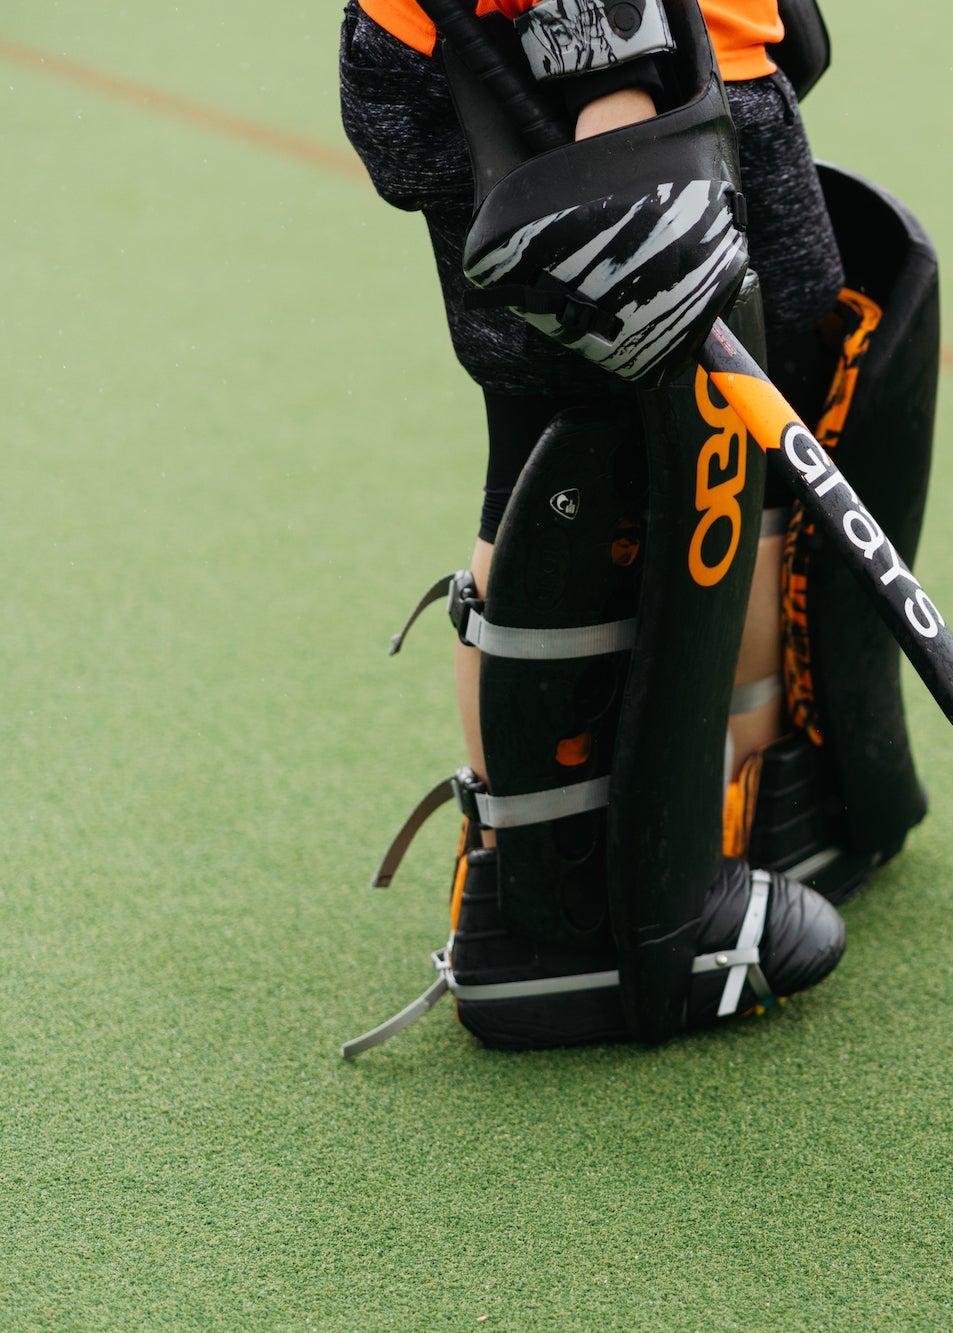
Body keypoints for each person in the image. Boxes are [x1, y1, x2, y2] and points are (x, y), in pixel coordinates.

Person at [337, 0, 858, 1052]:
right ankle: (553, 916)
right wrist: (613, 110)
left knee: (732, 428)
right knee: (571, 450)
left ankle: (727, 821)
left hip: (671, 65)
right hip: (559, 80)